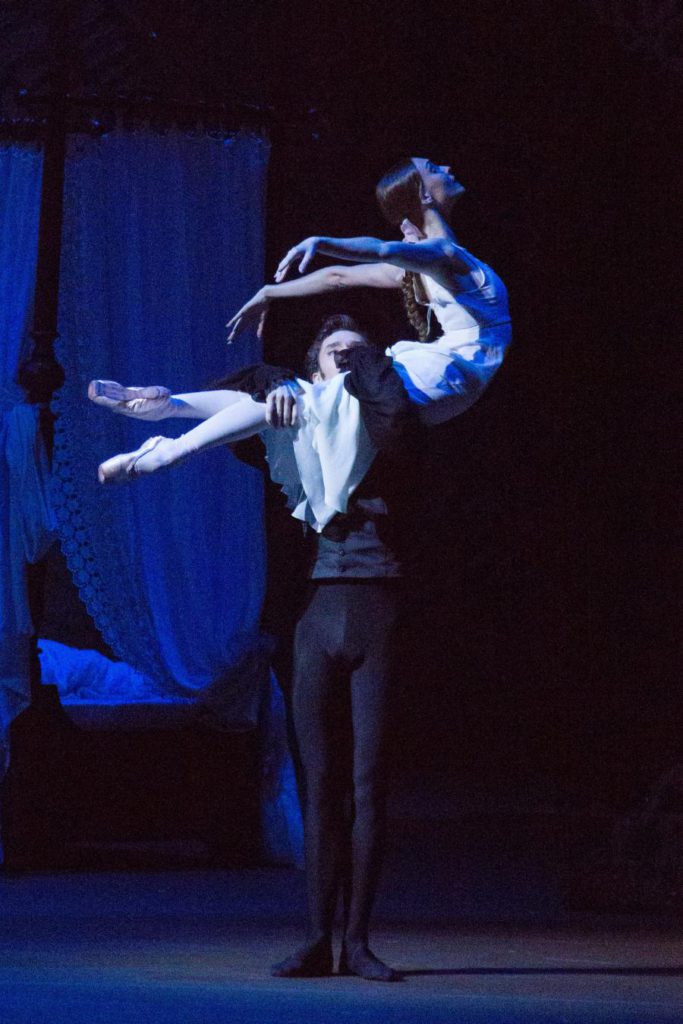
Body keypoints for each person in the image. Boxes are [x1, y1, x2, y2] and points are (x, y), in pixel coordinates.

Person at [90, 313, 417, 982]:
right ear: (313, 364)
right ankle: (316, 940)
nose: (346, 361)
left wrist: (360, 370)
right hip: (317, 617)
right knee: (320, 783)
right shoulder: (300, 429)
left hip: (380, 610)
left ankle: (356, 941)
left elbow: (396, 422)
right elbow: (247, 408)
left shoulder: (388, 416)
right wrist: (197, 400)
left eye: (358, 352)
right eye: (333, 353)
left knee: (366, 785)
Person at [94, 157, 511, 537]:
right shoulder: (441, 254)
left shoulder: (438, 257)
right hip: (448, 376)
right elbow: (347, 272)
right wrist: (279, 284)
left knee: (297, 401)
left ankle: (169, 421)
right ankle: (169, 425)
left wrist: (275, 289)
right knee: (292, 401)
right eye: (433, 168)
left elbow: (351, 272)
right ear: (422, 192)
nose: (447, 167)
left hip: (444, 377)